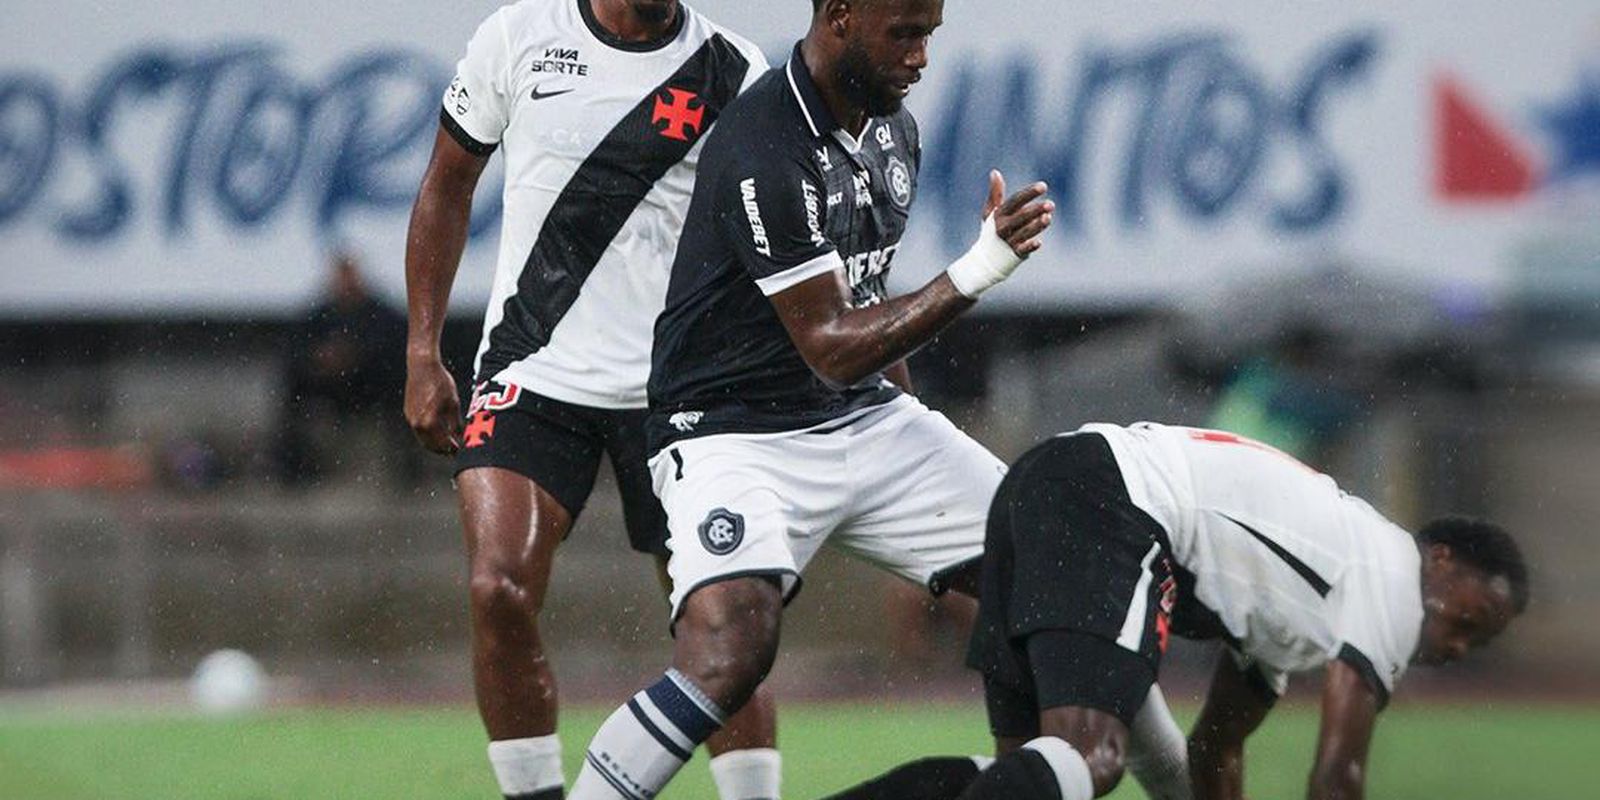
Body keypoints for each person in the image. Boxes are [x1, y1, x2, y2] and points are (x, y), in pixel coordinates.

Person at [569, 0, 1056, 797]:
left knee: (1049, 576)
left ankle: (1032, 785)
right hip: (732, 435)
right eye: (905, 34)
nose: (921, 56)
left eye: (929, 35)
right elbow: (829, 342)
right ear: (840, 16)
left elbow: (866, 298)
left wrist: (913, 425)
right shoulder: (764, 141)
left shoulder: (893, 132)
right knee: (732, 650)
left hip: (861, 415)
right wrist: (979, 269)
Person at [402, 2, 780, 798]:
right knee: (496, 589)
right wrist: (422, 351)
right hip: (534, 372)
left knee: (726, 628)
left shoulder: (734, 71)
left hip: (679, 389)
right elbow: (446, 184)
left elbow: (774, 238)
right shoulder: (518, 38)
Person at [825, 423, 1530, 800]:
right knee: (1091, 757)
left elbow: (1214, 750)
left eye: (1475, 643)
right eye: (1465, 620)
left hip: (1051, 480)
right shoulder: (1394, 577)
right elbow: (1336, 779)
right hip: (1115, 502)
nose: (1455, 645)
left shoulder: (1315, 601)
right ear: (1439, 559)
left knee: (1037, 770)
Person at [277, 251, 408, 486]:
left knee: (401, 390)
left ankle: (405, 472)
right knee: (292, 391)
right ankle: (294, 470)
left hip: (370, 387)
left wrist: (355, 356)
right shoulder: (319, 314)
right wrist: (321, 360)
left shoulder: (380, 314)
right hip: (330, 388)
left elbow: (393, 349)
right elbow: (296, 350)